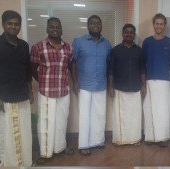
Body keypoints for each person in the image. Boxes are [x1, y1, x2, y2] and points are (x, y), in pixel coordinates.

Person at [0, 10, 33, 167]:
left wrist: (30, 92)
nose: (13, 26)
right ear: (3, 24)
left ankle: (25, 162)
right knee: (7, 133)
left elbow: (27, 72)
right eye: (10, 23)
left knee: (24, 132)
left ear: (20, 26)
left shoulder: (24, 46)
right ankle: (9, 163)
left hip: (22, 95)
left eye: (16, 24)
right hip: (4, 97)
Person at [30, 17, 74, 163]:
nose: (55, 29)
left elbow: (70, 67)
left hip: (63, 91)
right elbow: (32, 68)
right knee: (45, 122)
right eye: (52, 27)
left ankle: (59, 148)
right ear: (47, 29)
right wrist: (42, 80)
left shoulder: (68, 48)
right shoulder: (38, 47)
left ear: (61, 29)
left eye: (58, 27)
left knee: (62, 121)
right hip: (46, 91)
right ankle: (45, 152)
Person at [71, 15, 111, 155]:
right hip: (84, 85)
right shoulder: (78, 42)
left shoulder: (106, 43)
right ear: (88, 26)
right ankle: (83, 145)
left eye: (98, 23)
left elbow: (108, 63)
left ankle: (98, 140)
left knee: (99, 115)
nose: (95, 25)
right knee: (85, 116)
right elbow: (73, 63)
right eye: (92, 23)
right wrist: (75, 82)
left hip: (101, 84)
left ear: (101, 26)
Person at [142, 13, 170, 147]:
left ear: (164, 25)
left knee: (163, 109)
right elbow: (143, 62)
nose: (159, 26)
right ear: (153, 25)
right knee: (149, 108)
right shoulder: (147, 42)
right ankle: (150, 137)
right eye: (156, 23)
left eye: (161, 24)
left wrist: (162, 68)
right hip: (149, 80)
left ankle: (162, 137)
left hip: (164, 81)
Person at [108, 24, 146, 145]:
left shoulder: (139, 51)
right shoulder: (115, 50)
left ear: (134, 34)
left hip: (135, 88)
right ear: (122, 34)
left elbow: (142, 70)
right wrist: (110, 86)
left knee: (134, 116)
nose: (129, 34)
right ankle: (120, 140)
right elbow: (111, 70)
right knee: (120, 116)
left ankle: (134, 139)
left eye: (131, 32)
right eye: (126, 32)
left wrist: (144, 85)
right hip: (120, 87)